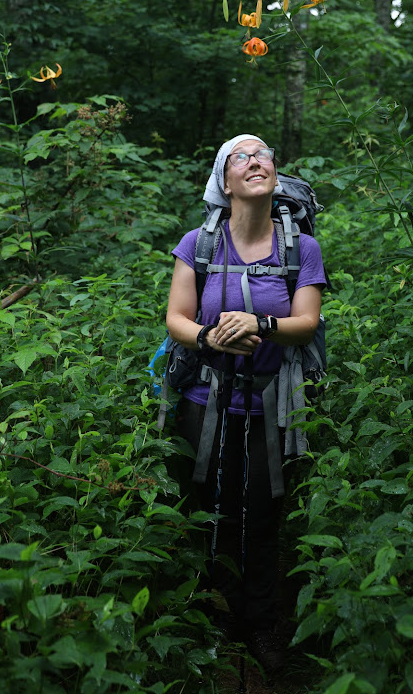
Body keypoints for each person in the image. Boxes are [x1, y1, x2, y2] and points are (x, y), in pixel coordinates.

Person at [166, 134, 326, 673]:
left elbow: (305, 325)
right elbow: (177, 319)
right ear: (224, 180)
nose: (256, 160)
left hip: (271, 405)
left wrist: (260, 324)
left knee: (261, 513)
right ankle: (208, 620)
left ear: (274, 175)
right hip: (202, 400)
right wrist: (210, 338)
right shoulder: (199, 244)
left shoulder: (301, 248)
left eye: (264, 154)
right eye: (241, 156)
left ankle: (258, 624)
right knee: (205, 510)